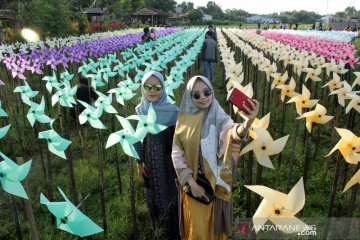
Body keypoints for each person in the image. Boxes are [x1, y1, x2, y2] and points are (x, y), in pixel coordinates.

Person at [172, 76, 259, 239]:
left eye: (206, 92)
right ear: (190, 97)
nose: (203, 97)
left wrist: (247, 124)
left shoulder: (219, 116)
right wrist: (191, 184)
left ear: (212, 92)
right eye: (196, 95)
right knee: (197, 232)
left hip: (216, 185)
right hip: (195, 189)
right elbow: (177, 154)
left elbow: (232, 132)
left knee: (215, 230)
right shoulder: (183, 122)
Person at [134, 71, 180, 240]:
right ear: (143, 88)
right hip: (150, 163)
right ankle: (159, 230)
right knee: (154, 196)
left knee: (171, 196)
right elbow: (136, 138)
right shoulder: (141, 110)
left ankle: (174, 232)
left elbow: (181, 139)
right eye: (148, 87)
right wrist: (139, 162)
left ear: (163, 87)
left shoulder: (174, 112)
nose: (152, 91)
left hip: (170, 163)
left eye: (157, 87)